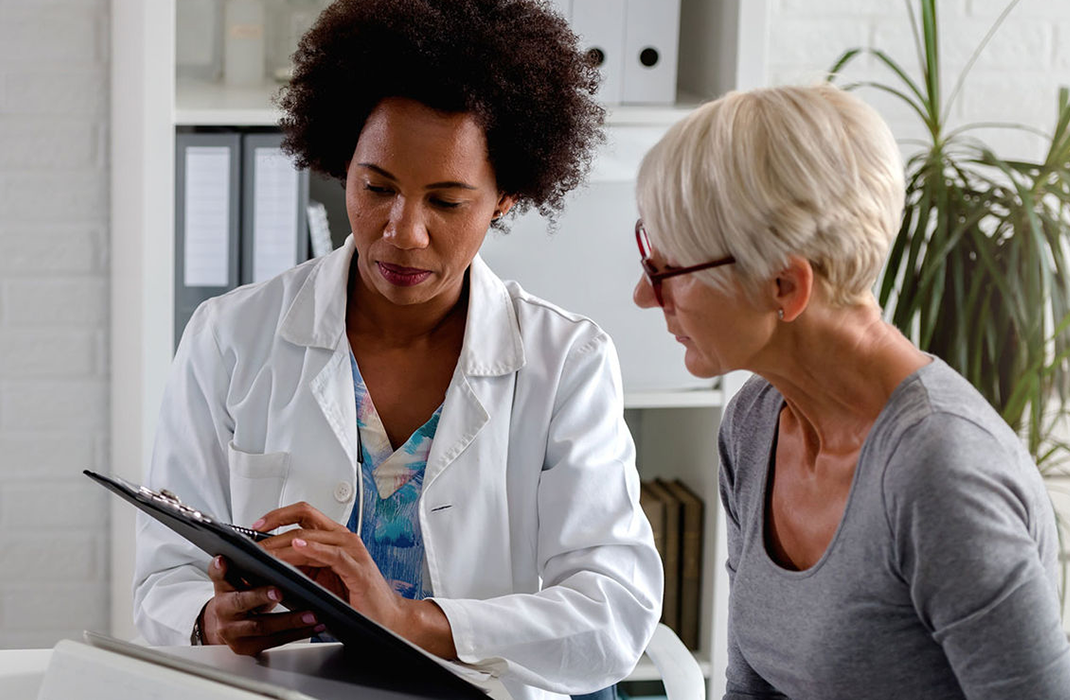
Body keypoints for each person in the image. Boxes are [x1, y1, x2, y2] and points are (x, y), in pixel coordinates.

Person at [134, 1, 662, 698]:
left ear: (505, 197)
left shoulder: (566, 362)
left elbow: (613, 613)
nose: (403, 232)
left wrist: (412, 621)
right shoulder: (229, 337)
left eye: (446, 202)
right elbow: (160, 582)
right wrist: (210, 619)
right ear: (339, 163)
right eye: (376, 187)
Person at [632, 83, 1070, 699]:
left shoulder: (942, 473)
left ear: (785, 286)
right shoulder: (754, 424)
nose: (645, 295)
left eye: (667, 270)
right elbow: (752, 687)